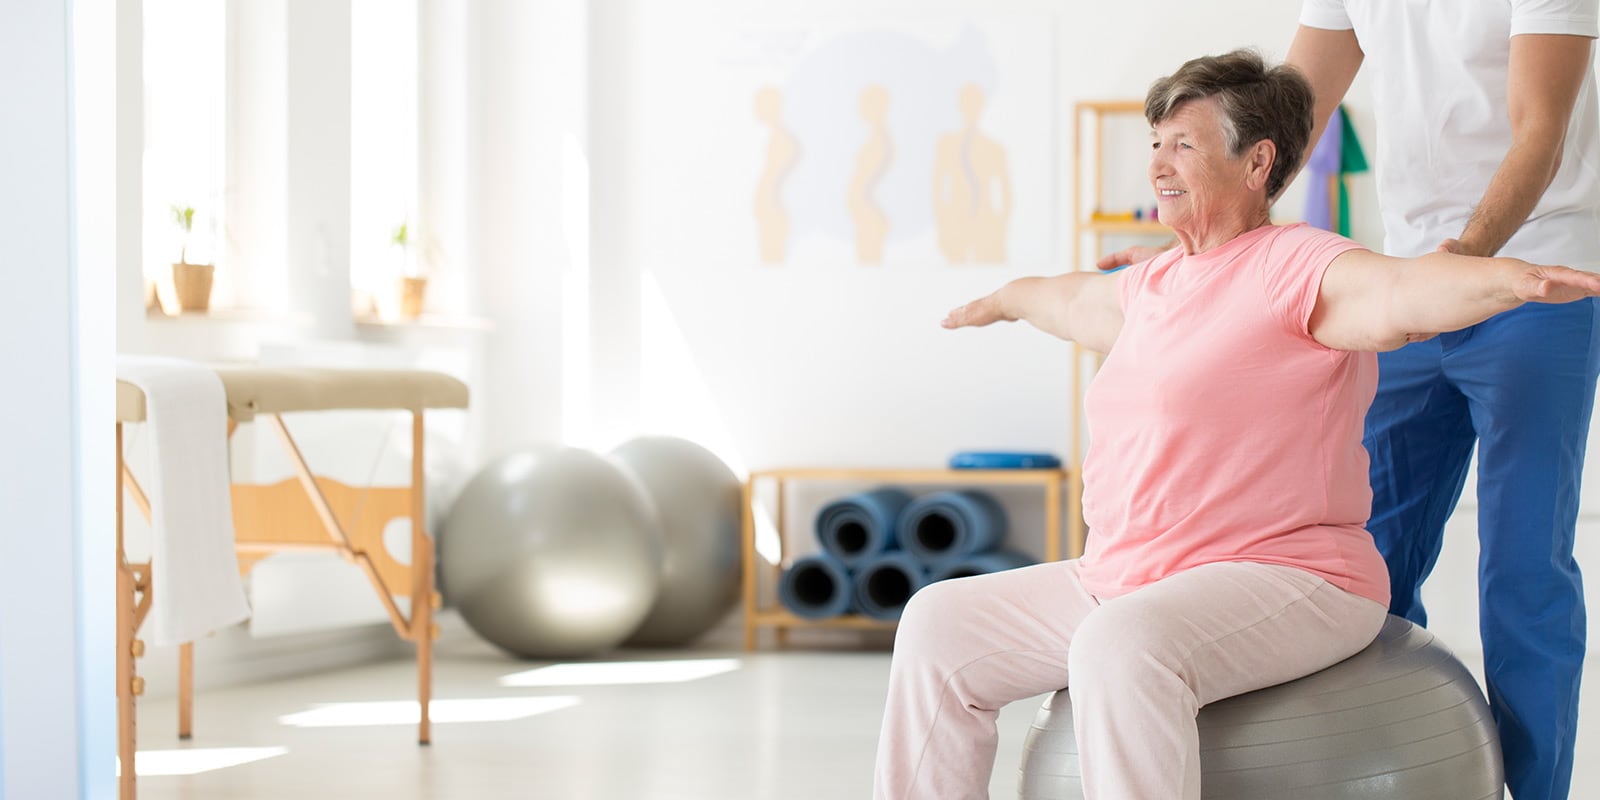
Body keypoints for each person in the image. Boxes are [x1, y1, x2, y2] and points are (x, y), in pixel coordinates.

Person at [873, 49, 1600, 800]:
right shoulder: (1152, 283)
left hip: (1287, 578)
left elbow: (1400, 293)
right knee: (938, 625)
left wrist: (1516, 278)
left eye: (1183, 144)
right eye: (1155, 142)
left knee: (1122, 648)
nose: (1159, 161)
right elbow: (1070, 300)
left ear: (1257, 161)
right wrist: (1005, 297)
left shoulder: (1299, 265)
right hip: (1127, 577)